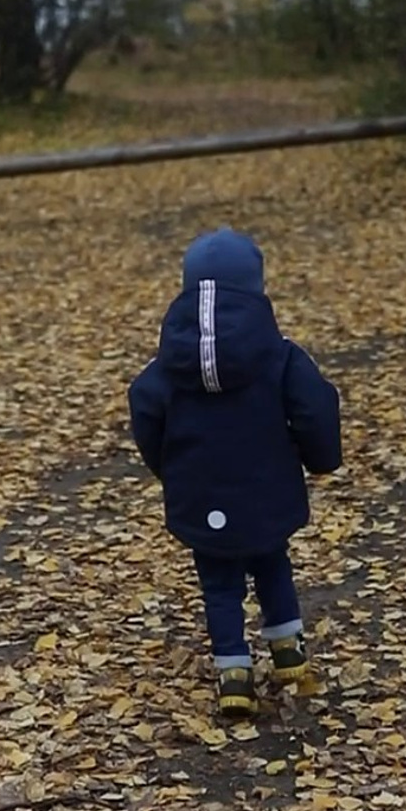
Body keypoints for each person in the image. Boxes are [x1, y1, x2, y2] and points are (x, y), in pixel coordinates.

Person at [128, 228, 342, 717]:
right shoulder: (281, 355)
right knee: (271, 560)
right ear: (256, 288)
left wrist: (168, 469)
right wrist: (321, 458)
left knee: (219, 582)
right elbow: (316, 407)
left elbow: (145, 412)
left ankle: (234, 674)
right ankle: (288, 651)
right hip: (268, 491)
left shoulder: (166, 366)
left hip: (202, 497)